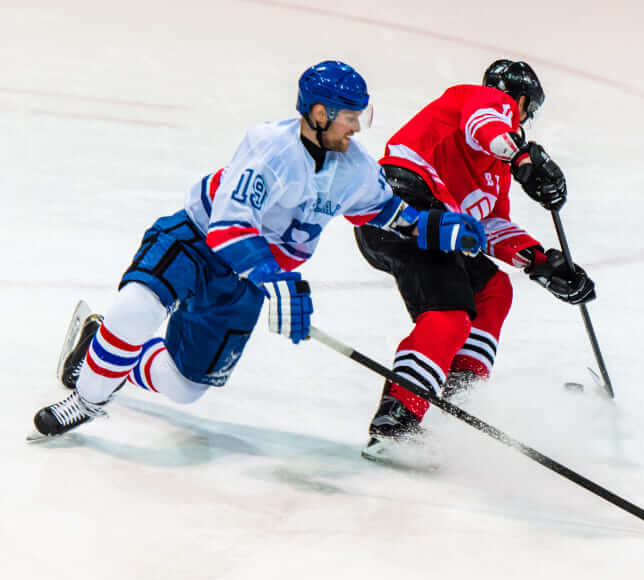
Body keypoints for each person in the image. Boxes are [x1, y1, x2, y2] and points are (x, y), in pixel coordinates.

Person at [32, 60, 486, 438]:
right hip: (197, 240)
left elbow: (387, 215)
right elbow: (228, 229)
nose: (356, 125)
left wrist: (440, 228)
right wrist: (276, 279)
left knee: (185, 386)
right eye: (349, 115)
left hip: (248, 278)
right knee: (136, 307)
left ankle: (100, 347)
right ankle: (85, 402)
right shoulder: (269, 146)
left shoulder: (357, 168)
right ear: (320, 113)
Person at [356, 59, 596, 462]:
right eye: (526, 113)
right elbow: (484, 123)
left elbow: (490, 225)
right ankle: (395, 422)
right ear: (520, 101)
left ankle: (461, 389)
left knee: (492, 288)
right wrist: (522, 157)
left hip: (439, 226)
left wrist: (543, 263)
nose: (522, 120)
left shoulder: (494, 174)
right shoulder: (482, 100)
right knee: (450, 313)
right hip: (404, 208)